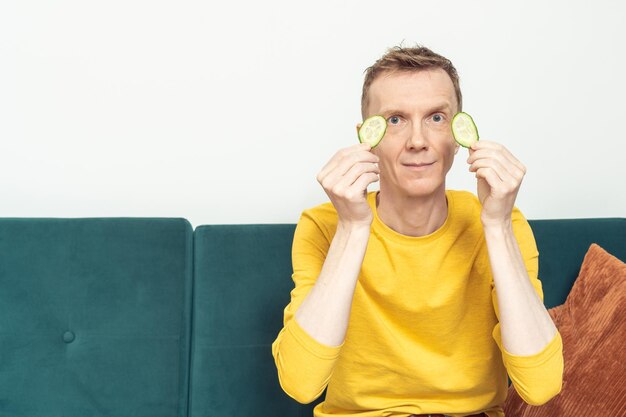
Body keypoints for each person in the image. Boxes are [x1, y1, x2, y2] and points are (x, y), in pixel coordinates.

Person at [272, 45, 563, 417]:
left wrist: (497, 225)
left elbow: (541, 386)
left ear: (459, 136)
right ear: (367, 138)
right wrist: (353, 226)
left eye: (437, 118)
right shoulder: (324, 226)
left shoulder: (504, 222)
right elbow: (301, 383)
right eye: (395, 120)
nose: (418, 140)